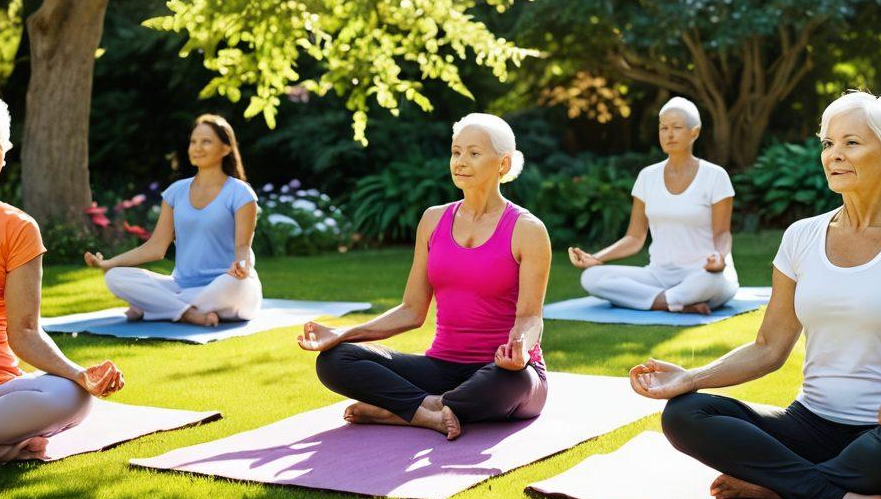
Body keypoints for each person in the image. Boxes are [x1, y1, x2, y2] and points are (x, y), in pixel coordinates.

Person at [630, 92, 881, 499]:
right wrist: (691, 378)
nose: (834, 155)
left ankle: (779, 485)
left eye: (851, 143)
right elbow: (769, 346)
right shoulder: (801, 237)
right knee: (684, 414)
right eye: (828, 143)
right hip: (813, 425)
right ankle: (832, 494)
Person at [299, 113, 552, 440]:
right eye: (456, 152)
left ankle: (398, 410)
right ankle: (430, 409)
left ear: (503, 164)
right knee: (335, 359)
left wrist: (520, 350)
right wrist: (343, 333)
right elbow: (411, 310)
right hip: (441, 368)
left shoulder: (527, 229)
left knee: (513, 383)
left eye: (474, 153)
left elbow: (531, 317)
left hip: (501, 372)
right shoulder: (433, 220)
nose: (460, 161)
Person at [0, 98, 125, 463]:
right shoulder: (19, 226)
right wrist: (80, 375)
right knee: (73, 397)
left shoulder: (15, 228)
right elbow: (25, 333)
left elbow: (24, 332)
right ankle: (5, 448)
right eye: (4, 147)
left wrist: (80, 375)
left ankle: (4, 448)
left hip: (0, 394)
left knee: (72, 395)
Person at [84, 115, 261, 327]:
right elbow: (156, 247)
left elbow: (243, 246)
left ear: (226, 148)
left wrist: (243, 265)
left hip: (225, 285)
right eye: (193, 141)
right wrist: (109, 263)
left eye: (206, 141)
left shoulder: (241, 193)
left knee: (237, 284)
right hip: (181, 286)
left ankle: (154, 307)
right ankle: (187, 312)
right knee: (115, 277)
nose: (197, 148)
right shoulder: (176, 192)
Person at [568, 97, 738, 315]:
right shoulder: (647, 177)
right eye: (663, 128)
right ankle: (676, 302)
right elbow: (634, 237)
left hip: (702, 274)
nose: (669, 134)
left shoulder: (715, 176)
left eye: (677, 127)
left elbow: (723, 233)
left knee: (712, 283)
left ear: (694, 133)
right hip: (658, 276)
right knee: (592, 277)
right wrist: (597, 257)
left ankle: (662, 300)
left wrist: (720, 258)